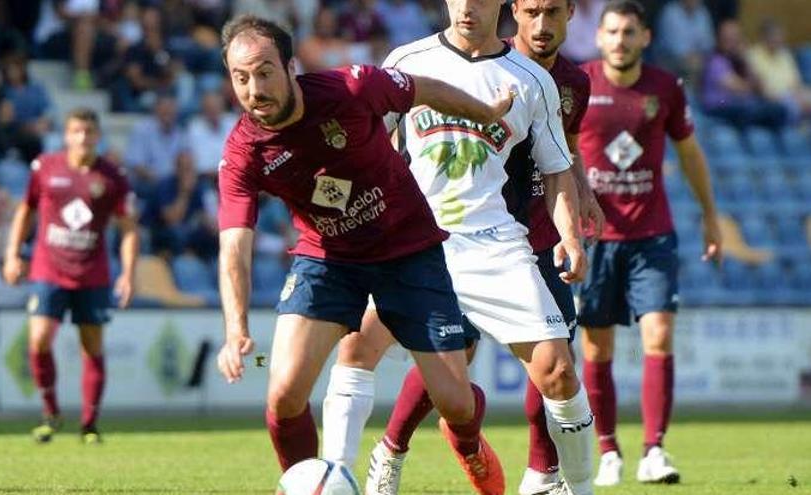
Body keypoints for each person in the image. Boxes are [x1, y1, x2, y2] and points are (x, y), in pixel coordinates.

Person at [214, 15, 513, 488]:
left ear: (291, 67)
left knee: (455, 403)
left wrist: (486, 113)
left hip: (409, 250)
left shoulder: (353, 88)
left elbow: (423, 89)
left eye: (264, 71)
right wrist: (236, 331)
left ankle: (468, 441)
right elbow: (234, 242)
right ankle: (307, 484)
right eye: (240, 77)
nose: (254, 88)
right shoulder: (243, 151)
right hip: (328, 260)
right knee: (285, 395)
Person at [321, 1, 596, 494]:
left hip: (493, 244)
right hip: (414, 242)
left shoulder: (531, 80)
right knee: (357, 347)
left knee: (557, 372)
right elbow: (369, 146)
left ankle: (579, 488)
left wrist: (571, 237)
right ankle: (335, 476)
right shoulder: (408, 62)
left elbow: (557, 167)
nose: (468, 7)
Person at [576, 0, 722, 486]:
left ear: (645, 38)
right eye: (612, 31)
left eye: (629, 32)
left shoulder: (665, 89)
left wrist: (710, 216)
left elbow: (690, 154)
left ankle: (654, 450)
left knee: (658, 334)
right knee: (597, 351)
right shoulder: (578, 85)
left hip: (652, 236)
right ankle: (609, 450)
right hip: (596, 240)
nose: (620, 40)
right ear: (599, 38)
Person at [508, 0, 604, 493]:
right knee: (451, 366)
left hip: (547, 238)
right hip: (487, 242)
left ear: (570, 13)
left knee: (558, 361)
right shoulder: (490, 70)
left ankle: (541, 473)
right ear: (514, 11)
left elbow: (564, 150)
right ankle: (391, 450)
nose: (542, 25)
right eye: (532, 12)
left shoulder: (576, 84)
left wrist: (584, 196)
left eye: (552, 12)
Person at [2, 108, 139, 444]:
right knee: (39, 339)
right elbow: (26, 211)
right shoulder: (45, 168)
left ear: (98, 136)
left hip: (92, 273)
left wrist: (129, 275)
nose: (83, 137)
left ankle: (89, 424)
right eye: (77, 131)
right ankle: (50, 413)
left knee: (91, 346)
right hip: (48, 268)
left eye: (90, 131)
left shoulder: (112, 177)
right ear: (66, 135)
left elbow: (129, 229)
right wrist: (12, 254)